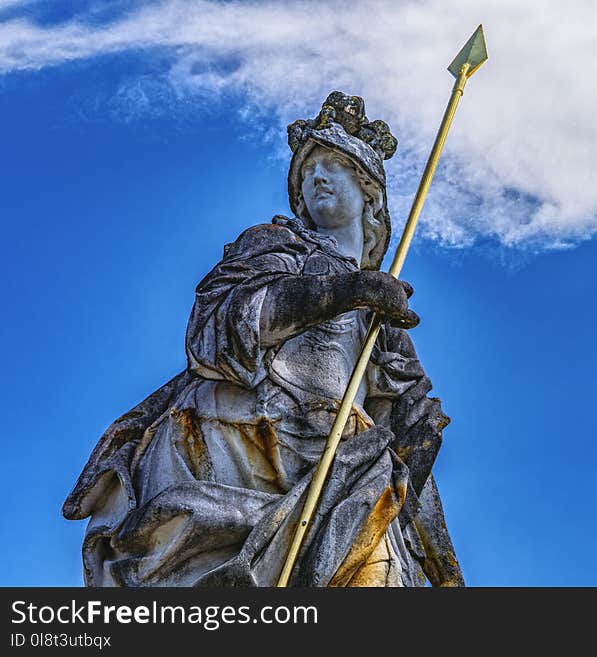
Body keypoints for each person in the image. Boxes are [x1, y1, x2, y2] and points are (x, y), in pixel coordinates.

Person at [62, 92, 464, 587]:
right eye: (308, 167)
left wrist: (442, 561)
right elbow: (215, 329)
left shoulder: (383, 321)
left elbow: (406, 431)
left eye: (332, 165)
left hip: (341, 467)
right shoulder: (272, 246)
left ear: (369, 194)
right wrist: (344, 291)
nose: (315, 175)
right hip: (245, 440)